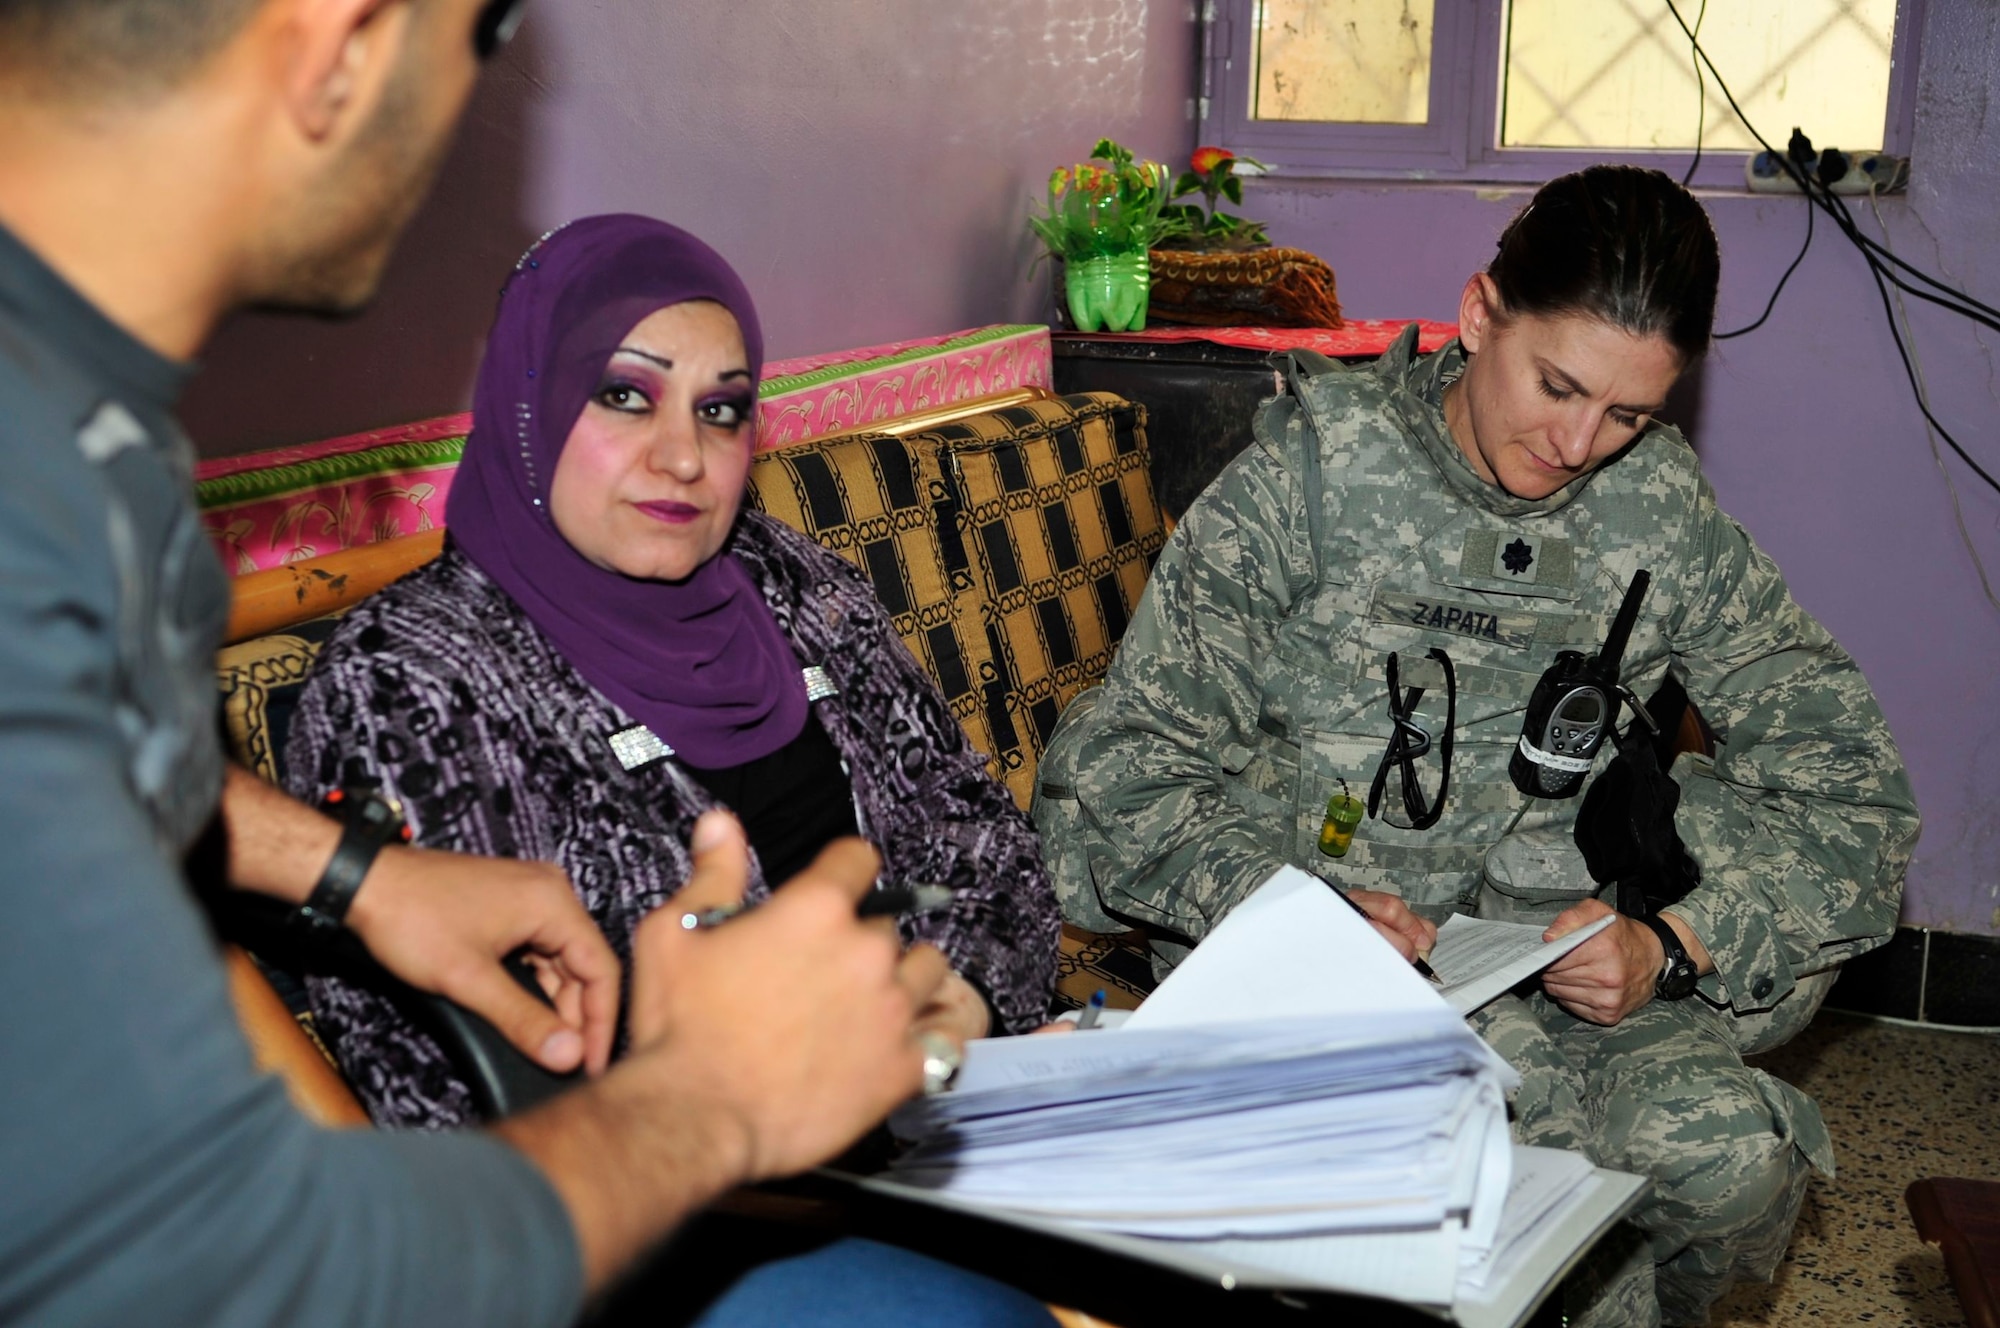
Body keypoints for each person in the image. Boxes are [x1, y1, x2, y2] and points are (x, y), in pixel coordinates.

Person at [0, 1, 1051, 1324]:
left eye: (720, 413)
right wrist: (714, 1103)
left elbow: (76, 774)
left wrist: (345, 869)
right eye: (483, 32)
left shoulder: (70, 431)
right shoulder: (37, 503)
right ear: (344, 40)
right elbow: (240, 1267)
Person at [1036, 165, 1920, 1327]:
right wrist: (1294, 905)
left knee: (1731, 1165)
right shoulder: (1307, 481)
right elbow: (1122, 772)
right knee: (1449, 1204)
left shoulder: (1661, 521)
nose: (1574, 441)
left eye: (1626, 414)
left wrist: (1673, 941)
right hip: (1322, 974)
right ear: (1476, 312)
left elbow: (1852, 795)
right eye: (1554, 385)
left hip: (1557, 979)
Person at [283, 213, 1060, 1128]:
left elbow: (984, 841)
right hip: (686, 1216)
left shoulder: (788, 580)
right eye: (624, 396)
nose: (686, 457)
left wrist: (950, 1016)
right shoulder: (407, 685)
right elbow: (459, 1097)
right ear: (530, 404)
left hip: (942, 1103)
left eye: (721, 410)